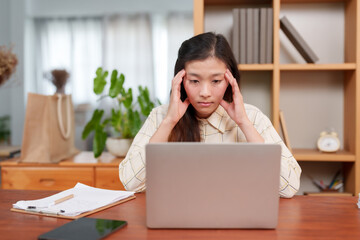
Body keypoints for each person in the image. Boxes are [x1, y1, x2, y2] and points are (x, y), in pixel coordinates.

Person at [119, 32, 301, 198]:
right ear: (180, 81)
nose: (205, 92)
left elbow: (289, 187)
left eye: (215, 81)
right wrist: (169, 121)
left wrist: (244, 123)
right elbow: (131, 183)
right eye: (194, 81)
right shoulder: (161, 117)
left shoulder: (251, 117)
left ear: (230, 81)